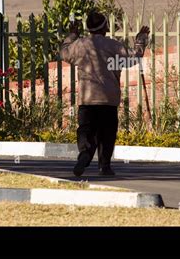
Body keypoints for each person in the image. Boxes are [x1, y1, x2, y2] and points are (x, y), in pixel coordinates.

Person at [60, 11, 150, 177]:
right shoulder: (114, 46)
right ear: (105, 28)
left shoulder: (80, 45)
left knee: (86, 129)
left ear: (88, 28)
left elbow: (64, 53)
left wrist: (72, 35)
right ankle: (105, 165)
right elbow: (134, 58)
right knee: (107, 133)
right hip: (108, 99)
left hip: (87, 99)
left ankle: (85, 153)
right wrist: (140, 40)